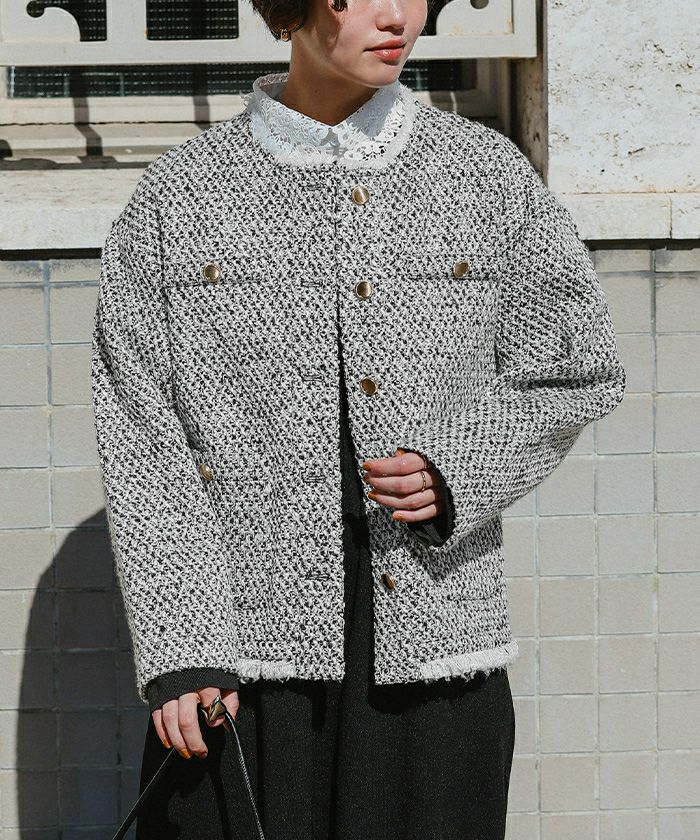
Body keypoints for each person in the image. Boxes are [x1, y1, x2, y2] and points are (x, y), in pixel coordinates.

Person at [91, 0, 627, 836]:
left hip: (436, 648)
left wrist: (460, 468)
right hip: (243, 661)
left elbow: (576, 365)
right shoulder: (179, 194)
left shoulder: (484, 173)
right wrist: (184, 645)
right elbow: (140, 431)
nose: (395, 16)